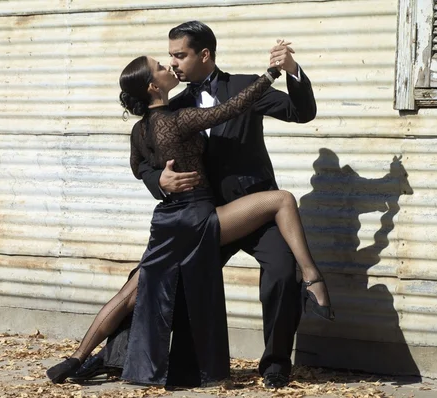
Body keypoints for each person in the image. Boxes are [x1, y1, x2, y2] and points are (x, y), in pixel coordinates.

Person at [46, 44, 333, 387]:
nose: (171, 63)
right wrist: (160, 180)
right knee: (144, 283)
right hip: (204, 216)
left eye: (178, 55)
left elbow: (301, 112)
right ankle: (113, 357)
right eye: (165, 61)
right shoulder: (177, 110)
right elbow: (147, 165)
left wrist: (290, 71)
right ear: (153, 86)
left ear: (204, 55)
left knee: (277, 275)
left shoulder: (155, 120)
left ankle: (274, 365)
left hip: (224, 211)